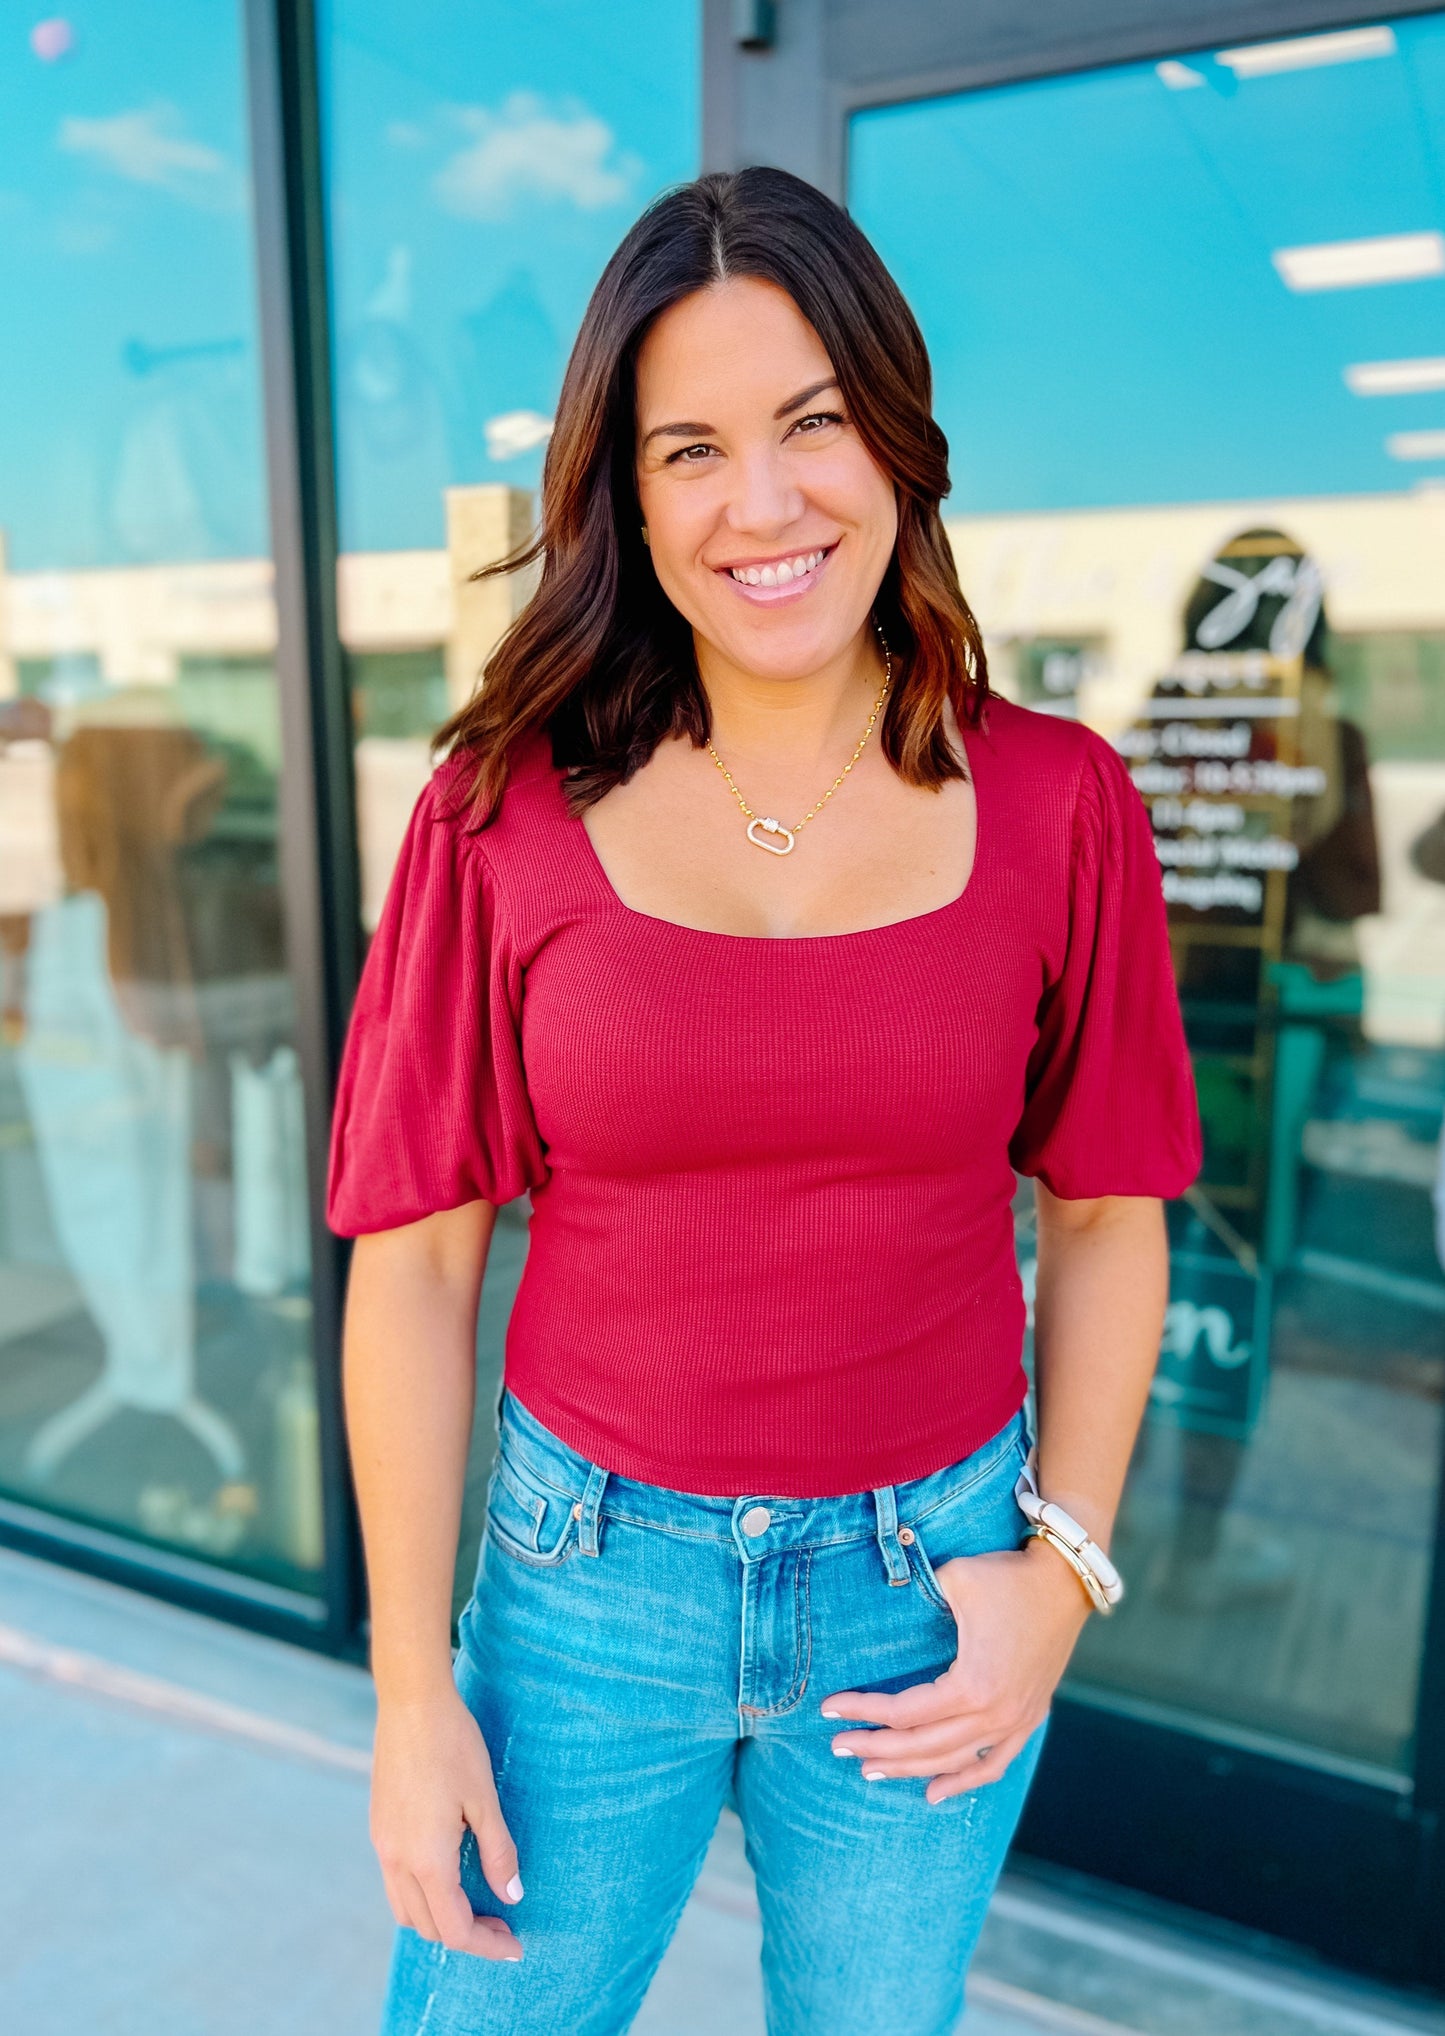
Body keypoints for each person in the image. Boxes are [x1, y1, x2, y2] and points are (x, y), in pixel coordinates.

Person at [327, 167, 1201, 2036]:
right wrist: (413, 1696)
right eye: (691, 450)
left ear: (893, 436)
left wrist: (1063, 1577)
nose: (765, 503)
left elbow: (1113, 1212)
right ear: (625, 502)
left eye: (812, 426)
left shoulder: (1061, 806)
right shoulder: (497, 814)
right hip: (583, 1596)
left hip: (930, 1591)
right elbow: (412, 1267)